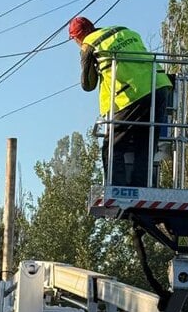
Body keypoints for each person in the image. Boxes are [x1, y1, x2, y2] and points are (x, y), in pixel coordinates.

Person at [68, 17, 172, 186]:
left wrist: (93, 67)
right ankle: (141, 190)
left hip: (131, 94)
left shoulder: (89, 44)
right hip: (159, 85)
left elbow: (87, 85)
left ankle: (117, 190)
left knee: (112, 147)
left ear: (77, 37)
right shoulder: (123, 30)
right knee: (145, 144)